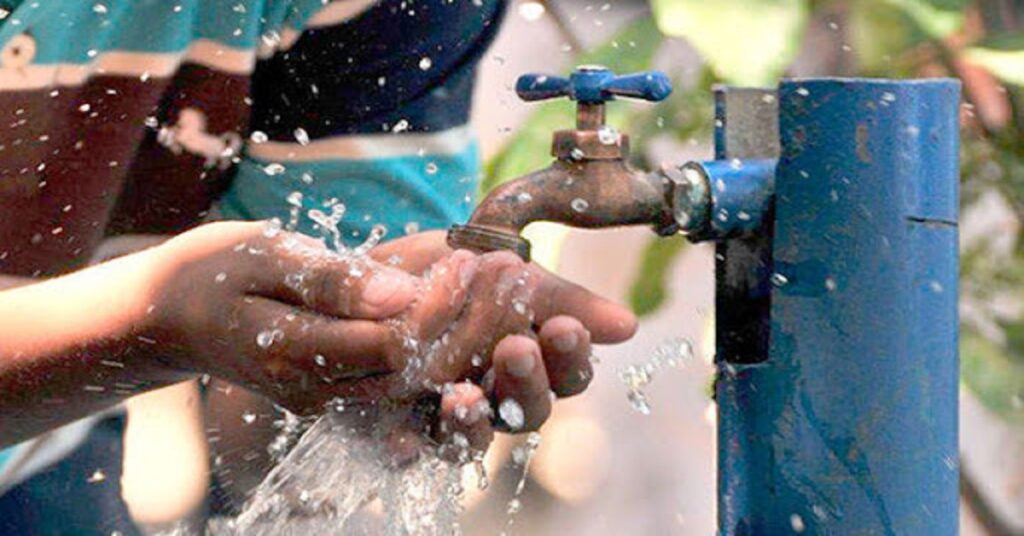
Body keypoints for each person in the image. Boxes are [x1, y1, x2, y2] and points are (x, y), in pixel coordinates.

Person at [0, 0, 638, 532]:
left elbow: (258, 433)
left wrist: (369, 359)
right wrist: (145, 328)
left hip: (39, 454)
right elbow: (167, 319)